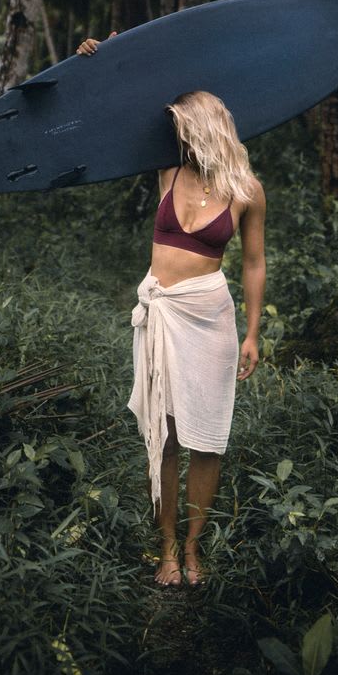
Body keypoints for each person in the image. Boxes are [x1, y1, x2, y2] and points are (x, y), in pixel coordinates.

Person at [75, 34, 265, 587]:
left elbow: (253, 263)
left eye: (183, 127)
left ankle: (193, 548)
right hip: (161, 314)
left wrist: (253, 333)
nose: (175, 136)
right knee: (166, 435)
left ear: (204, 127)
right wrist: (108, 61)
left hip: (210, 317)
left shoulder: (247, 189)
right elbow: (118, 118)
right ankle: (165, 549)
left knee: (206, 438)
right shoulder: (167, 172)